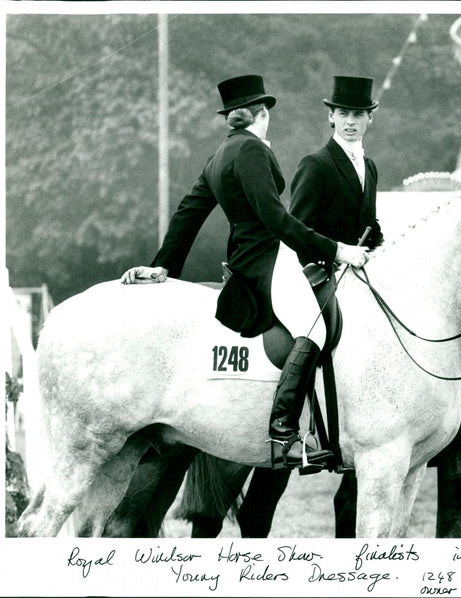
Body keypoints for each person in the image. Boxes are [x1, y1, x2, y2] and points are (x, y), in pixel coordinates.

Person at [120, 74, 369, 470]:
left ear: (231, 117)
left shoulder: (220, 154)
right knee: (315, 328)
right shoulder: (252, 151)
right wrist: (337, 249)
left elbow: (189, 212)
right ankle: (284, 434)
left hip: (242, 263)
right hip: (269, 261)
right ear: (263, 112)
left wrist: (162, 267)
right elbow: (276, 219)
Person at [289, 75, 384, 266]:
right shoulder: (315, 164)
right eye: (343, 113)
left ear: (370, 117)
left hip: (362, 275)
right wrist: (338, 254)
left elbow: (369, 226)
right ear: (331, 116)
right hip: (324, 275)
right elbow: (297, 230)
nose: (350, 122)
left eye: (358, 114)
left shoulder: (369, 166)